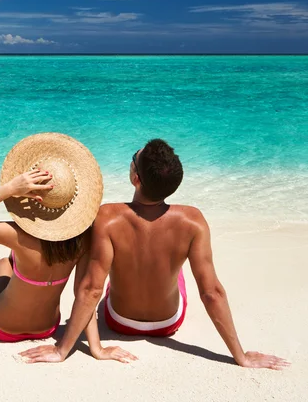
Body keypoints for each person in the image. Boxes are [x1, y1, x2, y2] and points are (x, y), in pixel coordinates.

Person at [20, 139, 290, 370]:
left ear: (136, 178)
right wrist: (240, 356)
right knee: (177, 268)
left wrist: (62, 349)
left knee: (116, 269)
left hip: (119, 321)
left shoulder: (107, 216)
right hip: (168, 323)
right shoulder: (193, 220)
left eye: (133, 160)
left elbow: (92, 289)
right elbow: (212, 293)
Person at [0, 133, 103, 342]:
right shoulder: (83, 239)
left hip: (1, 327)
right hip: (47, 328)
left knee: (4, 263)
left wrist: (9, 189)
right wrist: (96, 347)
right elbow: (85, 293)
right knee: (15, 263)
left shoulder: (19, 236)